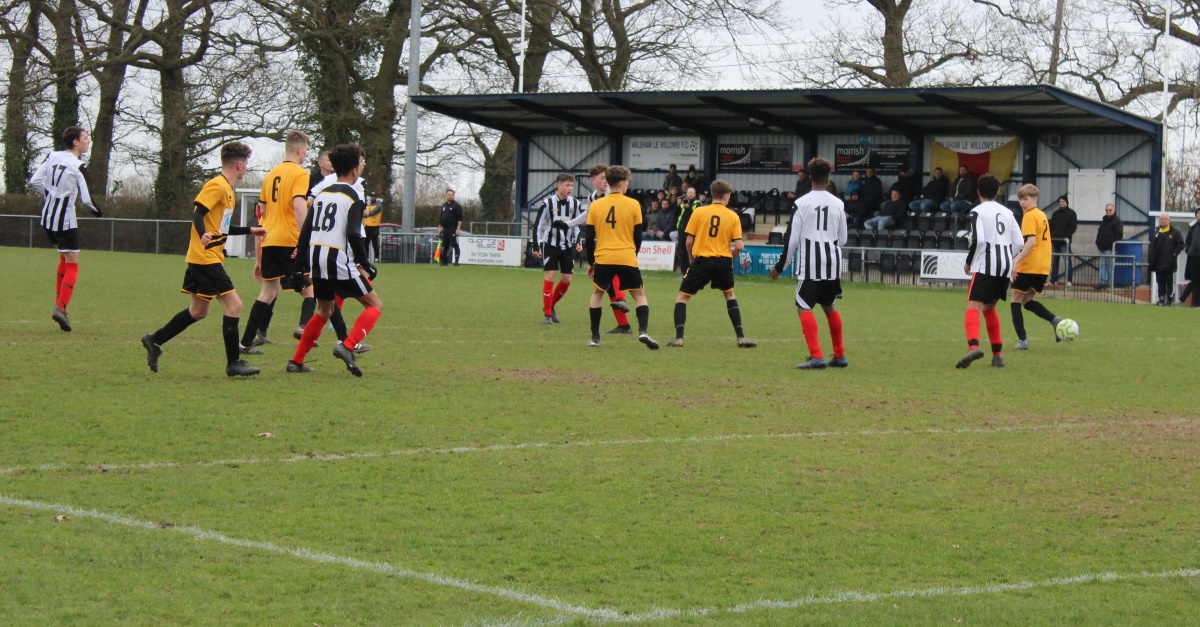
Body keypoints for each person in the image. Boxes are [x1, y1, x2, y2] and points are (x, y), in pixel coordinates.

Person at [140, 142, 267, 377]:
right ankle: (234, 363)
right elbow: (198, 213)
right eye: (246, 164)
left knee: (198, 311)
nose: (246, 168)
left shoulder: (228, 190)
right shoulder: (216, 185)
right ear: (239, 164)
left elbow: (223, 229)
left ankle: (154, 340)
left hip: (209, 257)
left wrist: (251, 230)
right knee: (235, 305)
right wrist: (202, 234)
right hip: (205, 258)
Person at [289, 143, 382, 376]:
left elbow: (307, 231)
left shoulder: (322, 194)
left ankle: (296, 361)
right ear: (354, 170)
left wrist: (299, 263)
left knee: (324, 310)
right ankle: (347, 346)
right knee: (374, 305)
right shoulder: (353, 196)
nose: (362, 168)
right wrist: (364, 262)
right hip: (339, 261)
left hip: (317, 259)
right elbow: (353, 233)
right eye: (360, 164)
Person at [238, 130, 314, 353]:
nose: (306, 155)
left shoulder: (270, 175)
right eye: (307, 150)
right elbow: (299, 205)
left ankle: (245, 343)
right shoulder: (300, 174)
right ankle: (303, 328)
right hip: (290, 239)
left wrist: (259, 254)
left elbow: (261, 211)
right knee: (310, 291)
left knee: (268, 292)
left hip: (269, 238)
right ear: (299, 150)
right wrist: (305, 238)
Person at [769, 157, 848, 370]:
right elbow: (843, 239)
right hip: (832, 260)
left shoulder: (801, 203)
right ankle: (840, 355)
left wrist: (779, 267)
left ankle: (817, 356)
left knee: (803, 306)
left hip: (810, 263)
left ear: (810, 177)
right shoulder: (839, 203)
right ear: (829, 178)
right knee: (829, 305)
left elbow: (792, 239)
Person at [29, 125, 102, 332]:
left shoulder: (52, 156)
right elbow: (87, 198)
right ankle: (60, 307)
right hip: (66, 222)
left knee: (63, 258)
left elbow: (34, 181)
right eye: (86, 138)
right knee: (73, 265)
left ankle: (60, 306)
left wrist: (51, 194)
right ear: (76, 142)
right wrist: (97, 211)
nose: (88, 141)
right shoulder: (78, 165)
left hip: (47, 218)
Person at [667, 179, 755, 348]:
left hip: (702, 260)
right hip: (723, 261)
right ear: (726, 196)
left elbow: (688, 241)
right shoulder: (732, 216)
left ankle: (679, 338)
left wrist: (692, 258)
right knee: (729, 295)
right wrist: (733, 253)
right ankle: (741, 337)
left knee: (683, 297)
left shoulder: (699, 212)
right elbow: (740, 245)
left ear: (713, 194)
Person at [552, 163, 633, 334]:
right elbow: (587, 216)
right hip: (603, 243)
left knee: (613, 281)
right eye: (602, 178)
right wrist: (568, 225)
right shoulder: (593, 198)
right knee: (608, 285)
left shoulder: (614, 195)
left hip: (619, 243)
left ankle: (622, 301)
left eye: (607, 178)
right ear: (593, 181)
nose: (605, 181)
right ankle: (624, 324)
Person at [584, 165, 659, 349]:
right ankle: (643, 332)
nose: (627, 185)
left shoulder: (596, 205)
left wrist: (591, 262)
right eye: (626, 182)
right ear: (620, 183)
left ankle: (595, 337)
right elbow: (638, 236)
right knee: (639, 295)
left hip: (603, 257)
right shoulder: (633, 204)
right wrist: (632, 254)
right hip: (626, 256)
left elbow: (588, 237)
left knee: (597, 294)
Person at [956, 174, 1022, 369]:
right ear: (998, 191)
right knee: (990, 308)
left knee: (973, 307)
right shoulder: (1008, 212)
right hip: (1005, 266)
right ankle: (998, 355)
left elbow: (980, 240)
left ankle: (974, 346)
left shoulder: (977, 211)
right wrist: (1010, 259)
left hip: (986, 264)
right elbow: (1018, 242)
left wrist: (969, 262)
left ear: (978, 191)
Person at [1009, 184, 1071, 350]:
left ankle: (1023, 341)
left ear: (1034, 199)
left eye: (1026, 199)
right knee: (1027, 300)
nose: (1023, 202)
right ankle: (1055, 320)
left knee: (1015, 301)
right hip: (1043, 266)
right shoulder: (1042, 215)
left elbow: (1031, 242)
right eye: (1021, 199)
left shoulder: (1029, 216)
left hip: (1029, 265)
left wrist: (1017, 260)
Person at [534, 174, 582, 323]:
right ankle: (547, 314)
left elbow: (576, 224)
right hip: (550, 245)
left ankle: (551, 306)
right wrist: (536, 244)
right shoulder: (547, 203)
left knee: (567, 279)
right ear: (558, 186)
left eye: (571, 186)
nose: (570, 188)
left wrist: (578, 240)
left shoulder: (575, 203)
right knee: (550, 276)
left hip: (567, 246)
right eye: (567, 185)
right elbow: (538, 225)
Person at [1149, 213, 1185, 306]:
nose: (1163, 220)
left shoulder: (1175, 232)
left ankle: (1169, 300)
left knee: (1169, 282)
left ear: (1169, 220)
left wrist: (1174, 254)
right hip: (1158, 262)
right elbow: (1152, 245)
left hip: (1169, 262)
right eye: (1161, 219)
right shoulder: (1156, 231)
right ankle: (1161, 299)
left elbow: (1180, 244)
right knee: (1160, 281)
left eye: (1165, 219)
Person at [1048, 195, 1077, 285]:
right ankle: (1054, 280)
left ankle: (1069, 280)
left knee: (1067, 261)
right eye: (1060, 202)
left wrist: (1066, 236)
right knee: (1055, 261)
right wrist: (1052, 236)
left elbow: (1073, 227)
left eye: (1063, 201)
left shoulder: (1072, 213)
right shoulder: (1055, 214)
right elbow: (1051, 225)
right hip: (1055, 241)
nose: (1062, 203)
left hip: (1065, 242)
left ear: (1067, 202)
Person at [1094, 203, 1124, 288]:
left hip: (1110, 248)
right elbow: (1100, 232)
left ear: (1114, 211)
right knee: (1103, 265)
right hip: (1102, 247)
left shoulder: (1117, 221)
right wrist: (1098, 242)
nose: (1108, 211)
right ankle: (1103, 282)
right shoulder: (1104, 221)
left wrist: (1109, 242)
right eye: (1107, 210)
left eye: (1110, 210)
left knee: (1110, 265)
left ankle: (1110, 283)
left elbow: (1119, 235)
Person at [676, 186, 701, 275]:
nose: (690, 194)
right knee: (682, 252)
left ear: (695, 194)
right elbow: (677, 215)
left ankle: (694, 271)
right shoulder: (683, 203)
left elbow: (696, 216)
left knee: (692, 252)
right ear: (686, 194)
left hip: (692, 231)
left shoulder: (698, 203)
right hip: (682, 230)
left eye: (692, 193)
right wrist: (678, 205)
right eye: (689, 193)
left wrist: (688, 207)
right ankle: (684, 272)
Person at [1178, 207, 1200, 306]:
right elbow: (1188, 241)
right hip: (1193, 257)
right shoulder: (1193, 226)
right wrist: (1188, 250)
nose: (1199, 214)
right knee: (1195, 280)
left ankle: (1182, 299)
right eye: (1198, 213)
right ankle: (1194, 303)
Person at [438, 189, 463, 266]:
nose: (450, 196)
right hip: (445, 228)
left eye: (451, 195)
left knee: (454, 244)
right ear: (446, 196)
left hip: (452, 228)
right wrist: (440, 228)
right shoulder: (444, 206)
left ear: (453, 196)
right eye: (449, 195)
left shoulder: (456, 206)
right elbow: (441, 218)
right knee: (444, 245)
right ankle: (444, 262)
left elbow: (460, 218)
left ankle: (456, 262)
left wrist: (458, 228)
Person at [364, 193, 382, 262]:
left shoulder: (378, 205)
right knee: (366, 243)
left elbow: (372, 212)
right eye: (372, 197)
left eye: (374, 197)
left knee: (374, 243)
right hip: (367, 225)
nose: (373, 198)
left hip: (374, 226)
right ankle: (366, 258)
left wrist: (366, 213)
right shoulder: (368, 205)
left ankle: (376, 258)